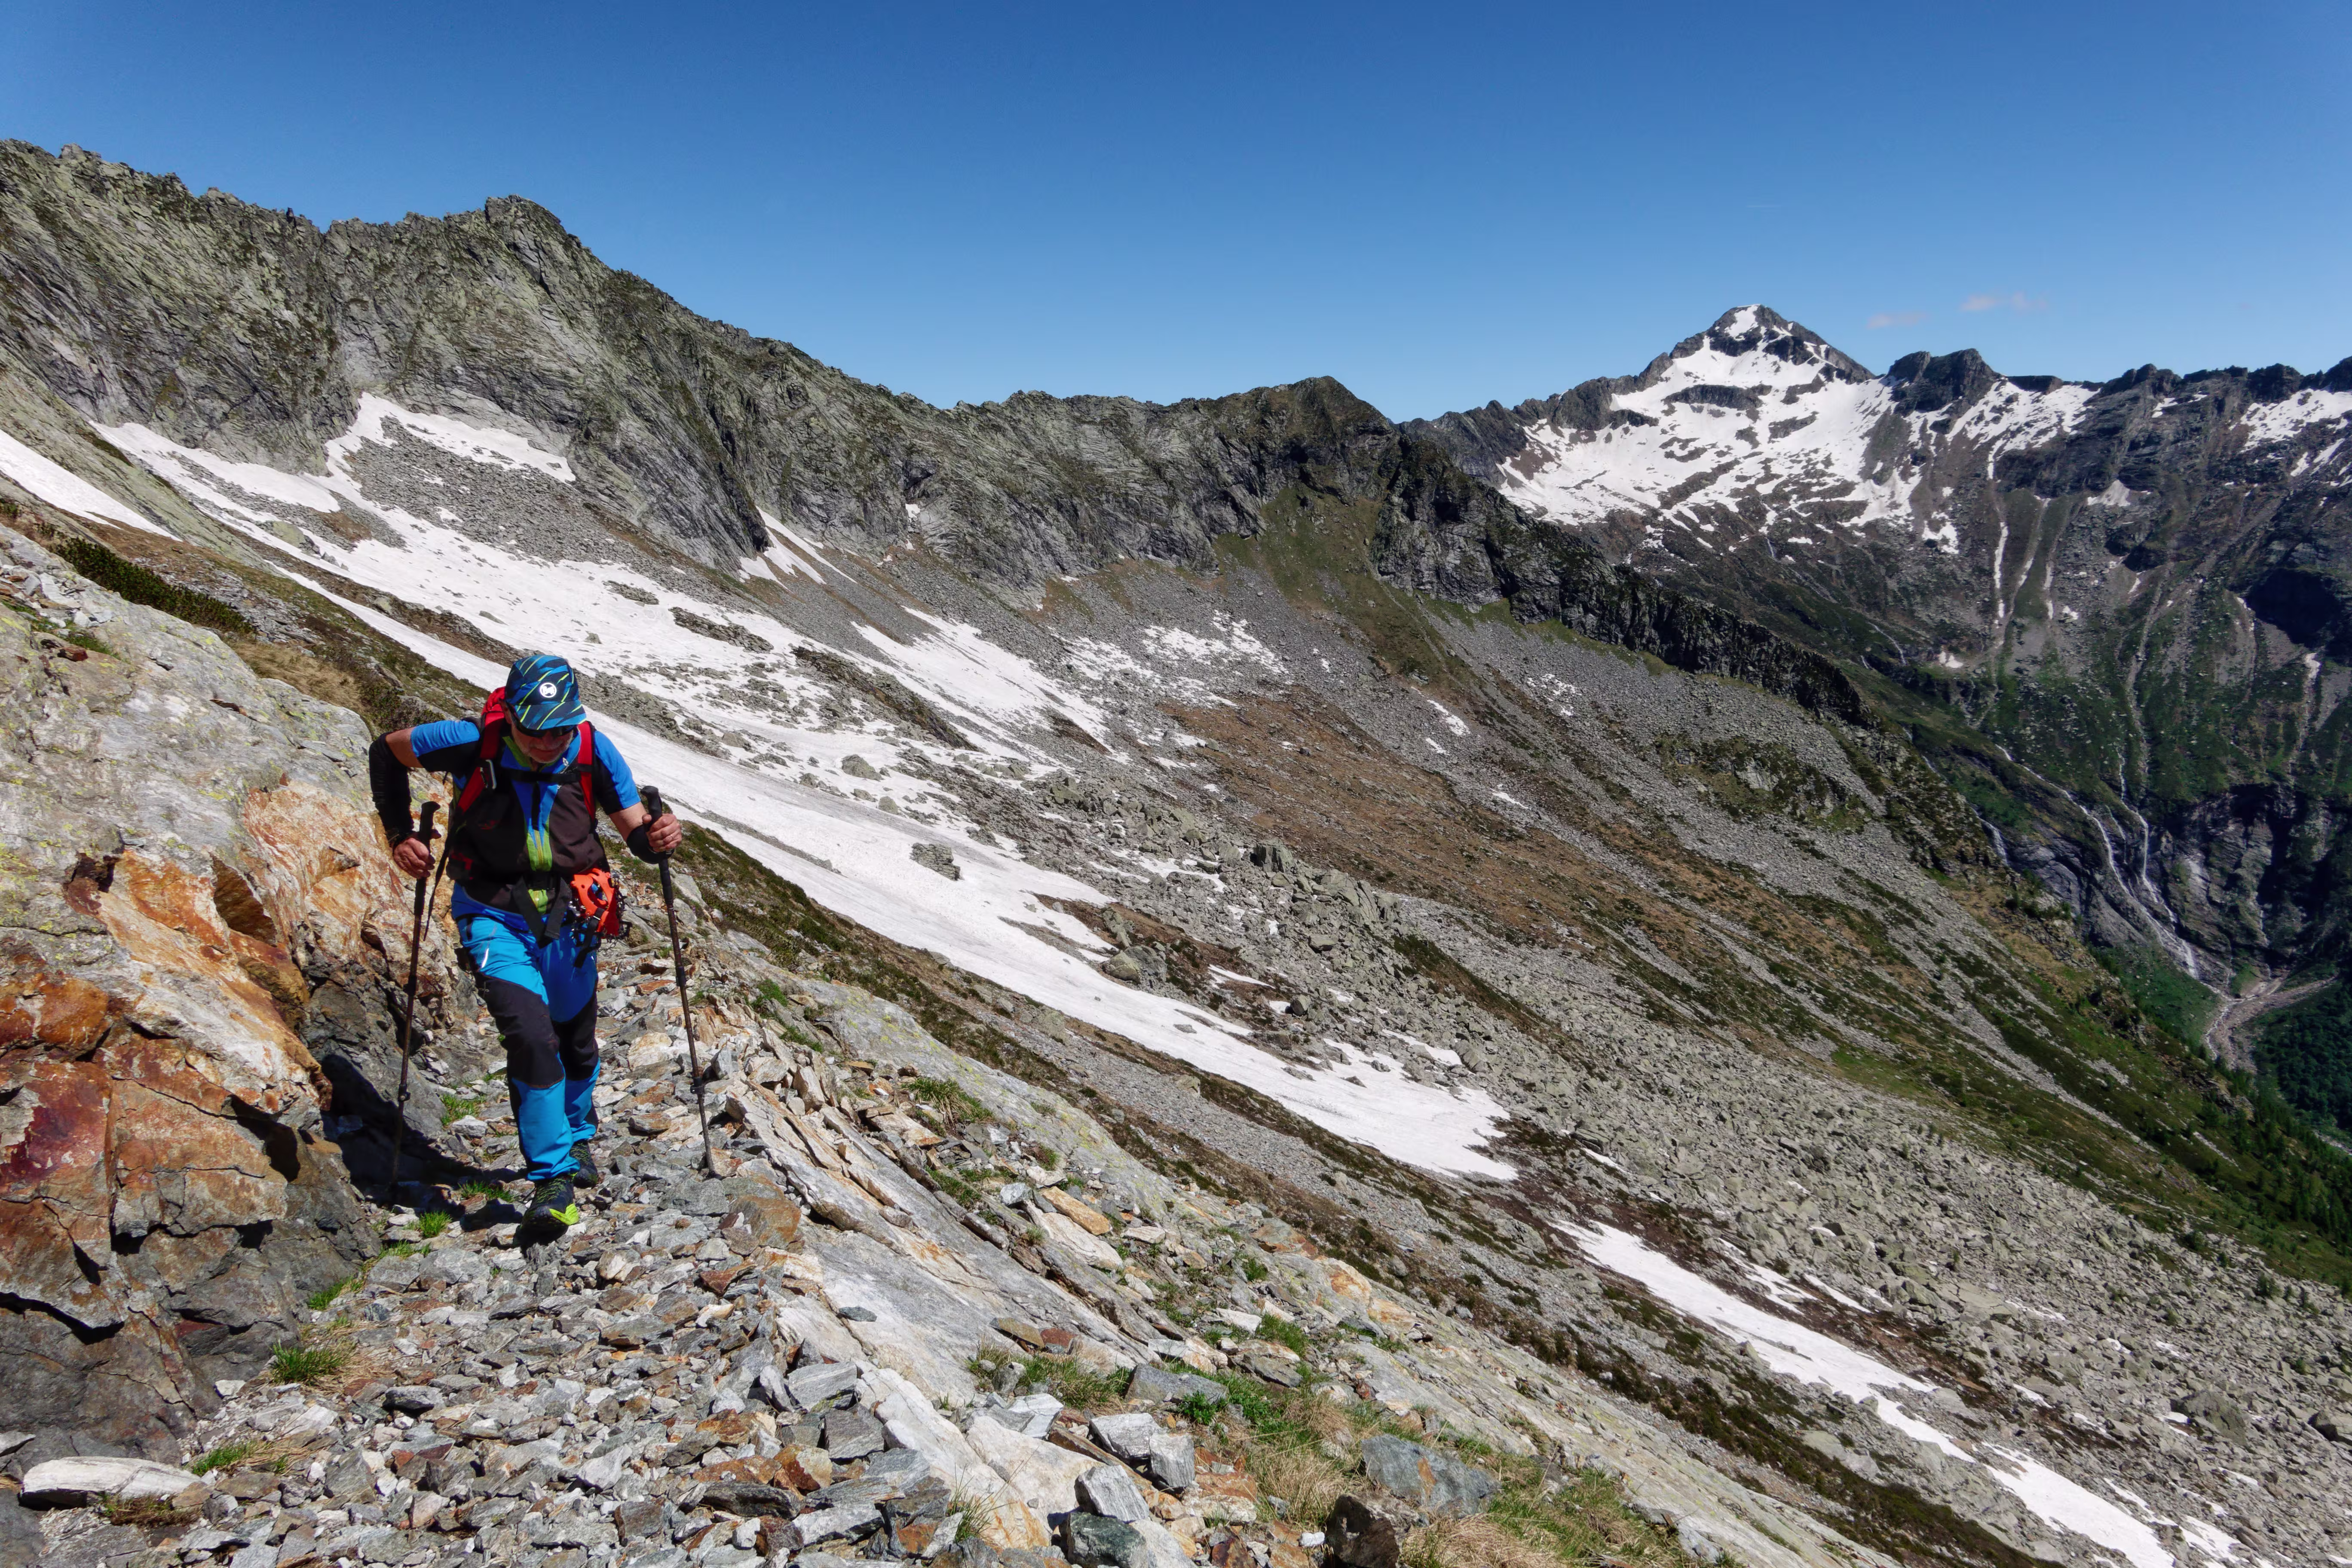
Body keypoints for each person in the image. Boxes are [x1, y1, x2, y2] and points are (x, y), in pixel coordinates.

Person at [368, 654, 682, 1227]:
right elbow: (386, 752)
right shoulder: (467, 741)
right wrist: (397, 834)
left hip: (575, 912)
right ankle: (553, 1180)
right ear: (511, 714)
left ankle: (578, 1134)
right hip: (492, 909)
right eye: (536, 730)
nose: (549, 742)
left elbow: (635, 831)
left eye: (560, 728)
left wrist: (658, 838)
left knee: (574, 1036)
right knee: (532, 1038)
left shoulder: (592, 749)